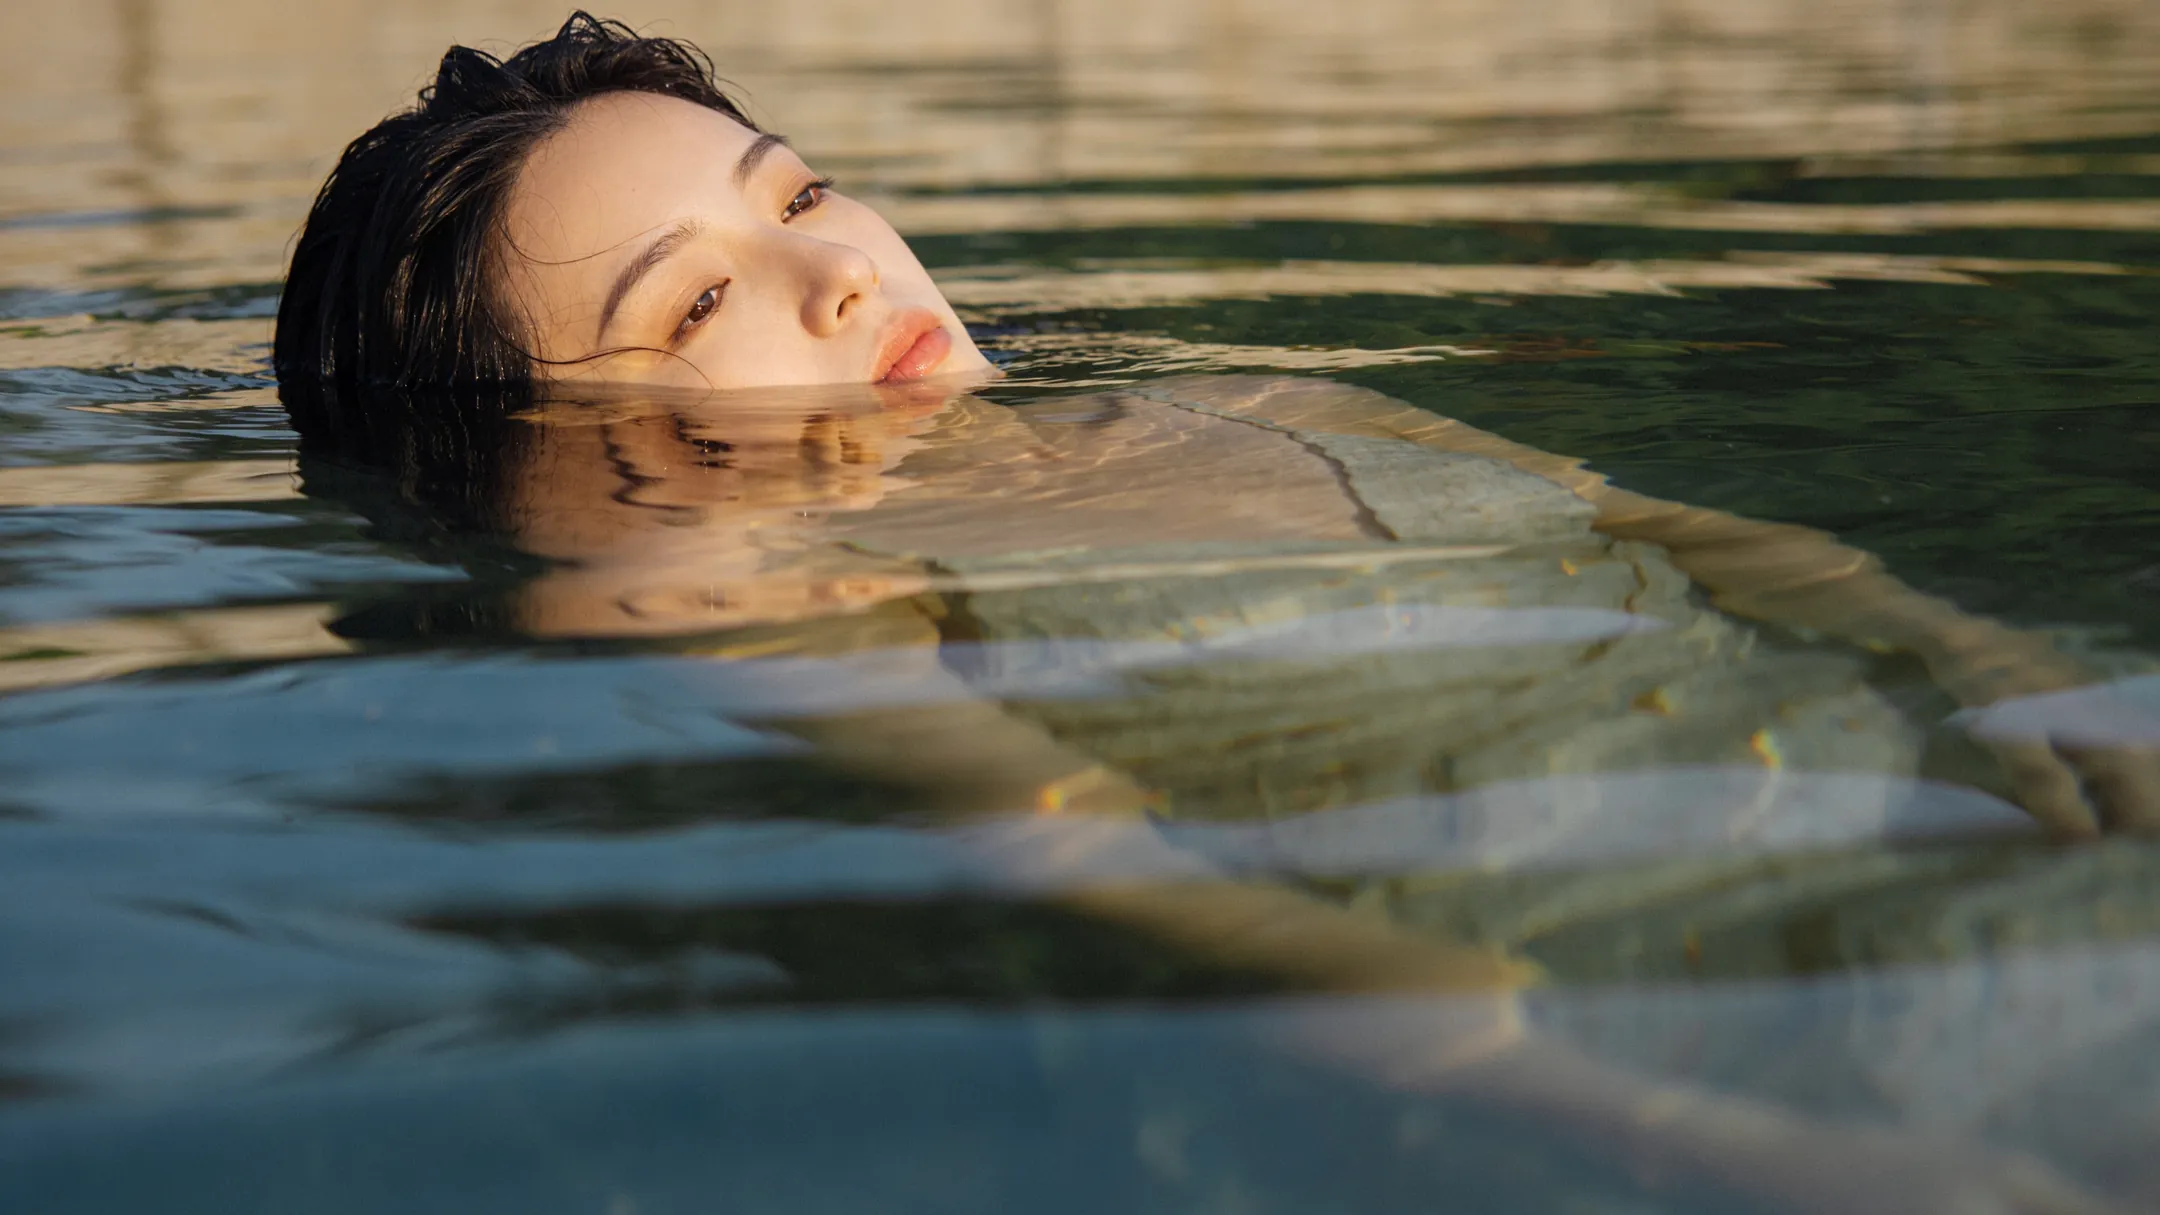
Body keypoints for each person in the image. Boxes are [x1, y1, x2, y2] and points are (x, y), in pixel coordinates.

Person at [276, 13, 2158, 1213]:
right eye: (696, 309)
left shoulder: (1247, 403)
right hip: (1764, 1031)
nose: (838, 276)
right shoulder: (821, 608)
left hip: (2028, 842)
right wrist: (1771, 1156)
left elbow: (1722, 543)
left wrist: (2027, 693)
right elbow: (1201, 918)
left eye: (806, 194)